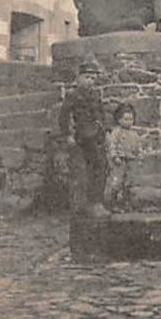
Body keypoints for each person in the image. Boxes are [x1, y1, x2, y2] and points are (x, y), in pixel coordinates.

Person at [58, 56, 108, 216]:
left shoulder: (95, 95)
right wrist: (68, 135)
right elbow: (64, 116)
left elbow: (101, 113)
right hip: (81, 138)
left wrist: (104, 129)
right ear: (79, 78)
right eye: (87, 77)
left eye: (93, 78)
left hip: (95, 136)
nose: (90, 81)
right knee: (82, 171)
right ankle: (83, 205)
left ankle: (97, 203)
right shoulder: (72, 95)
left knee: (100, 167)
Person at [104, 102, 143, 212]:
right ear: (119, 120)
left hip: (130, 160)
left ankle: (126, 203)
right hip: (119, 161)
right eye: (126, 119)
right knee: (117, 182)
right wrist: (115, 156)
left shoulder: (134, 134)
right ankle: (113, 203)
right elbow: (112, 145)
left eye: (131, 119)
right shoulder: (116, 133)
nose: (129, 122)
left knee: (128, 182)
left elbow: (138, 147)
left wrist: (139, 157)